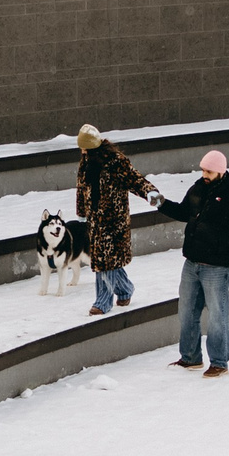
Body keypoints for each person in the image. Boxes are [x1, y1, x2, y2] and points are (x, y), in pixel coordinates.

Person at [154, 149, 229, 377]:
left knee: (217, 316)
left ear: (220, 171)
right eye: (202, 169)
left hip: (218, 267)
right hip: (192, 262)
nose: (204, 174)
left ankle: (219, 362)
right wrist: (162, 203)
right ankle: (190, 358)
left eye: (209, 170)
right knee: (187, 311)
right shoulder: (198, 187)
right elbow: (183, 211)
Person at [72, 124, 158, 315]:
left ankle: (102, 302)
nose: (82, 151)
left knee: (105, 260)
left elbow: (135, 180)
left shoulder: (116, 161)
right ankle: (125, 289)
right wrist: (81, 212)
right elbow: (81, 188)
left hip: (113, 221)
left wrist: (150, 192)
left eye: (83, 147)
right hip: (95, 220)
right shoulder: (85, 162)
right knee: (105, 260)